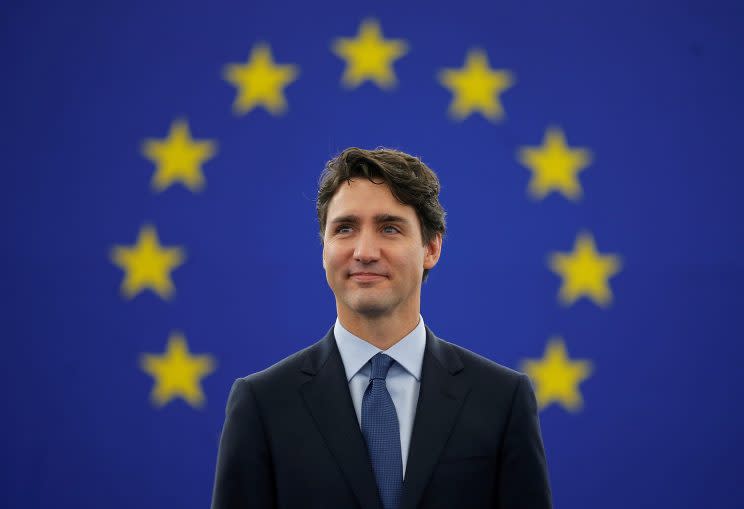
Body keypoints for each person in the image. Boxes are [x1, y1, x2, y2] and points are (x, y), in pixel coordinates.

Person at [210, 147, 552, 509]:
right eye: (345, 228)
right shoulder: (262, 403)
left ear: (431, 248)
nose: (365, 251)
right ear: (324, 249)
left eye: (389, 228)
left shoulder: (501, 399)